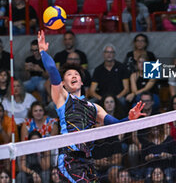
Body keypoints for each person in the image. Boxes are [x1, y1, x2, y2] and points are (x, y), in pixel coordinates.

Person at [37, 30, 146, 182]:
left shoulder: (94, 107)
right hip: (69, 158)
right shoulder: (62, 98)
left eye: (76, 74)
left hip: (88, 160)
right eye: (69, 75)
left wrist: (129, 118)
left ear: (82, 82)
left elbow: (114, 126)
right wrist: (43, 51)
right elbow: (53, 72)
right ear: (63, 84)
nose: (74, 76)